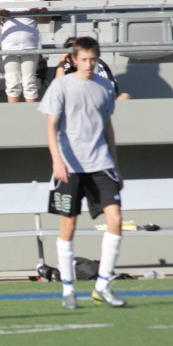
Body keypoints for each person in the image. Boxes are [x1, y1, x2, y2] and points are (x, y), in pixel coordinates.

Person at [38, 36, 127, 310]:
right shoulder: (61, 85)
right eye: (84, 59)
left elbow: (108, 126)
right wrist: (56, 161)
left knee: (116, 220)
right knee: (69, 225)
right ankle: (68, 289)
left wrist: (115, 163)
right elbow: (51, 126)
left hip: (100, 164)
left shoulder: (103, 87)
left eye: (93, 59)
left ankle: (102, 286)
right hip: (69, 166)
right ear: (74, 60)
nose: (88, 64)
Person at [0, 0, 51, 103]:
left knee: (29, 82)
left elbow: (47, 20)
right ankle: (15, 118)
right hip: (10, 47)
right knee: (12, 83)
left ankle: (30, 117)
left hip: (30, 47)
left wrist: (36, 13)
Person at [55, 36, 130, 100]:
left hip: (98, 98)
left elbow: (110, 88)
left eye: (76, 54)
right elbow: (58, 89)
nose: (72, 57)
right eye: (70, 54)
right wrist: (61, 61)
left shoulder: (95, 63)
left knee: (124, 97)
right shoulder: (63, 66)